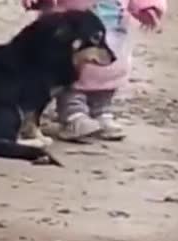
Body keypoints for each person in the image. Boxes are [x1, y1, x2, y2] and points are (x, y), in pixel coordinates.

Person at [21, 0, 167, 141]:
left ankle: (101, 112)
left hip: (114, 29)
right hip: (71, 25)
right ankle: (73, 114)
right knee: (69, 72)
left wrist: (149, 6)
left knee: (110, 69)